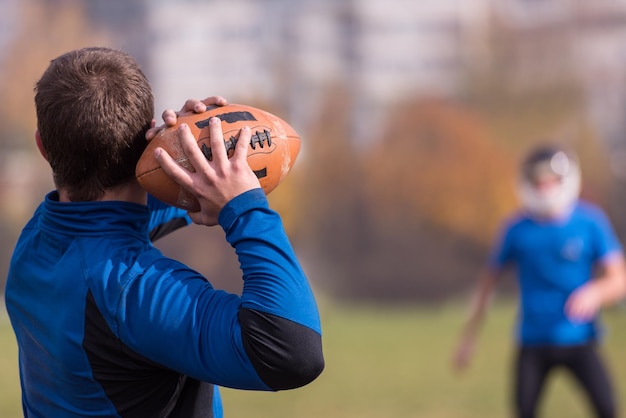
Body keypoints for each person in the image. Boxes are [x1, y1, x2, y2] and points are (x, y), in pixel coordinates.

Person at [4, 46, 324, 417]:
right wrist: (246, 208)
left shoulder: (35, 243)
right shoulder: (131, 295)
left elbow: (109, 221)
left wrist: (187, 155)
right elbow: (294, 351)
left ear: (42, 146)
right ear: (145, 138)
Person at [453, 144, 626, 418]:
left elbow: (619, 278)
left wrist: (595, 292)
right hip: (532, 341)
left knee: (607, 408)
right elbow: (488, 283)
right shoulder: (516, 229)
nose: (544, 188)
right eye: (538, 181)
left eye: (551, 181)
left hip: (579, 338)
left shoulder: (590, 222)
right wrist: (468, 339)